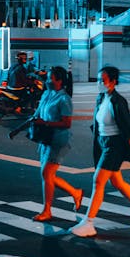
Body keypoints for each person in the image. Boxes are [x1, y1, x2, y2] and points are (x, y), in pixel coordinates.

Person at [69, 65, 130, 238]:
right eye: (99, 79)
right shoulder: (101, 98)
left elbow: (127, 128)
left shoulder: (118, 101)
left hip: (114, 145)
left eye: (103, 80)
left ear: (113, 81)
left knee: (98, 181)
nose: (99, 83)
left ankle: (89, 223)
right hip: (102, 143)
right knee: (116, 182)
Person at [30, 65, 83, 222]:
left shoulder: (64, 99)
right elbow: (37, 114)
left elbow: (66, 123)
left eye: (50, 78)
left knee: (47, 174)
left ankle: (47, 211)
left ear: (59, 80)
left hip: (58, 141)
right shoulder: (47, 93)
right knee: (47, 175)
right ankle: (75, 193)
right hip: (45, 139)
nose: (47, 80)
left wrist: (45, 123)